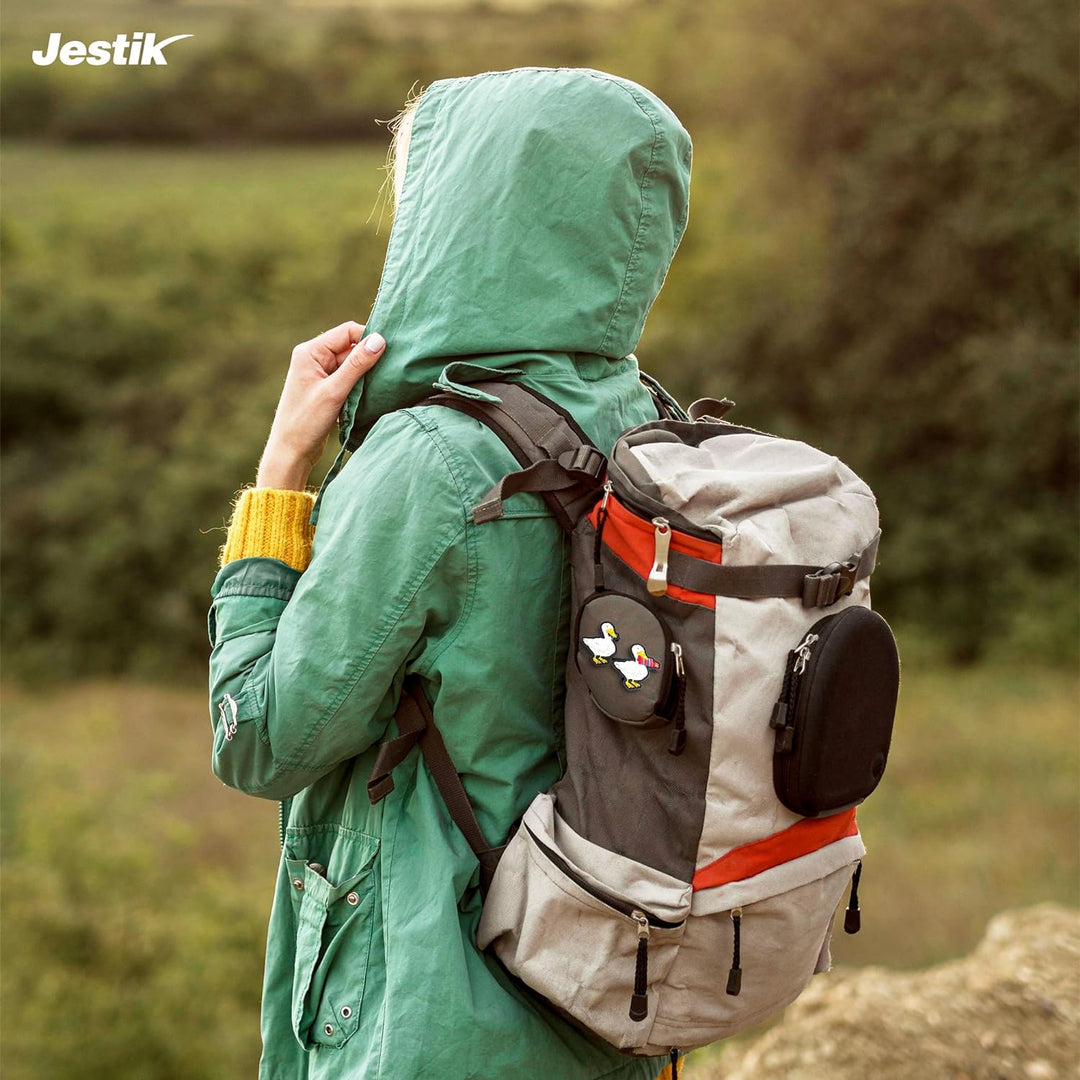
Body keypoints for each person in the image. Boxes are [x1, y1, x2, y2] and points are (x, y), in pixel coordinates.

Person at [208, 67, 692, 1080]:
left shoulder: (431, 460)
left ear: (457, 210)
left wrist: (281, 471)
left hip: (433, 1022)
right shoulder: (654, 423)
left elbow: (259, 738)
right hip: (613, 991)